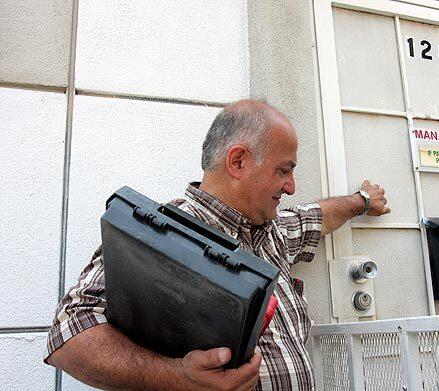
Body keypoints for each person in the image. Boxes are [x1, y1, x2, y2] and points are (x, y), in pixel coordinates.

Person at [45, 99, 390, 390]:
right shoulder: (164, 234)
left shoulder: (272, 232)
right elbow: (67, 333)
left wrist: (362, 201)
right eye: (284, 171)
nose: (291, 187)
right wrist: (178, 378)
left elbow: (315, 216)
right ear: (238, 162)